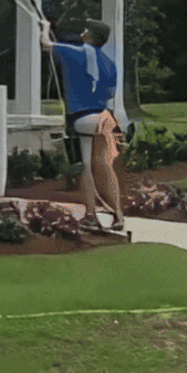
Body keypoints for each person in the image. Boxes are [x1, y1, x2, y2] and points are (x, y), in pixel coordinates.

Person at [40, 18, 125, 232]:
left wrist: (45, 28)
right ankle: (118, 215)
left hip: (83, 118)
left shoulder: (74, 51)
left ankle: (91, 215)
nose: (83, 31)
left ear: (89, 35)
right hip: (104, 118)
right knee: (105, 167)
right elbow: (109, 93)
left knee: (86, 167)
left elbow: (46, 45)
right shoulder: (108, 62)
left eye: (86, 29)